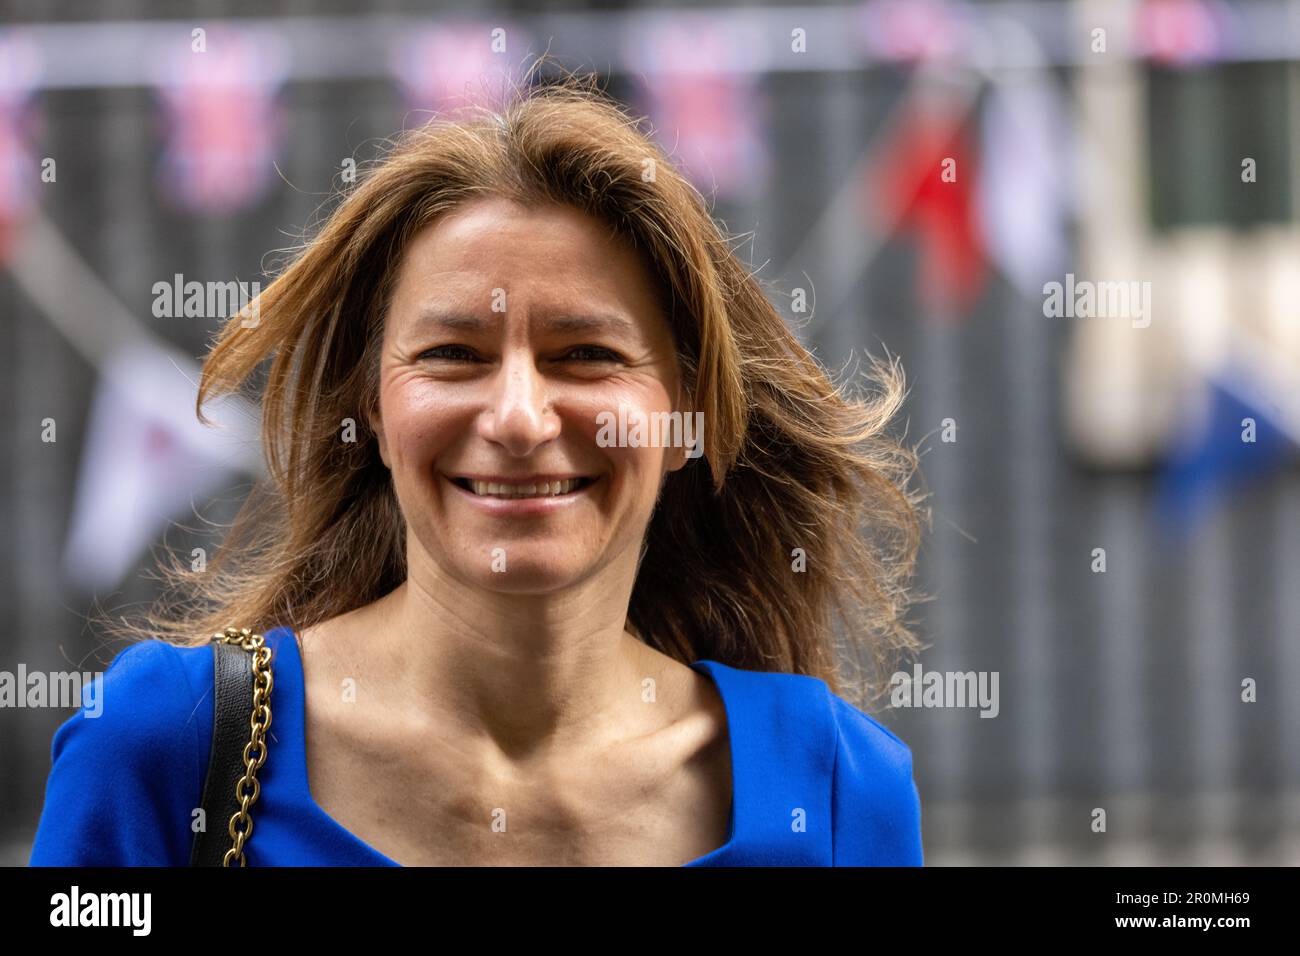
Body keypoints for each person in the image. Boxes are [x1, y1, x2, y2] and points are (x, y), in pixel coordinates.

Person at [29, 70, 929, 867]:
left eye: (585, 354)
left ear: (689, 417)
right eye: (453, 353)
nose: (518, 418)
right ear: (374, 411)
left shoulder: (844, 787)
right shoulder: (167, 743)